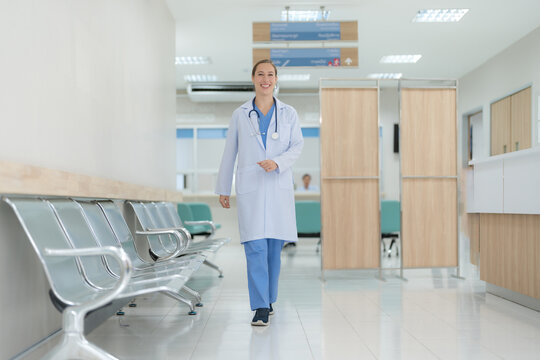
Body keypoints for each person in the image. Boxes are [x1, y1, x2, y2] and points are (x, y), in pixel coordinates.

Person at [215, 59, 304, 326]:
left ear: (276, 80)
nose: (266, 79)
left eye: (270, 75)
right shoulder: (240, 114)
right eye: (260, 74)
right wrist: (223, 187)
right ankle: (260, 307)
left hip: (277, 188)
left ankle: (269, 298)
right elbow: (230, 151)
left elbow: (297, 146)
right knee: (254, 247)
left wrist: (278, 162)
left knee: (273, 250)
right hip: (251, 189)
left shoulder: (289, 113)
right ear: (253, 79)